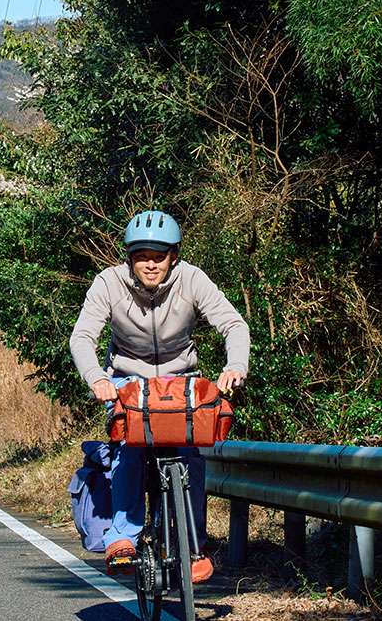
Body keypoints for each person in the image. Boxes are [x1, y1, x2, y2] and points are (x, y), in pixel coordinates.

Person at [69, 210, 250, 583]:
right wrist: (97, 379)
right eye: (141, 256)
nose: (150, 264)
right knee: (129, 449)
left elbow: (233, 323)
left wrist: (235, 364)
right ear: (129, 257)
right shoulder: (109, 283)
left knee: (191, 455)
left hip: (180, 381)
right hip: (126, 381)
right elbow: (82, 337)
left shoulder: (192, 279)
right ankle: (123, 537)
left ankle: (192, 545)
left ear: (174, 255)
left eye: (159, 255)